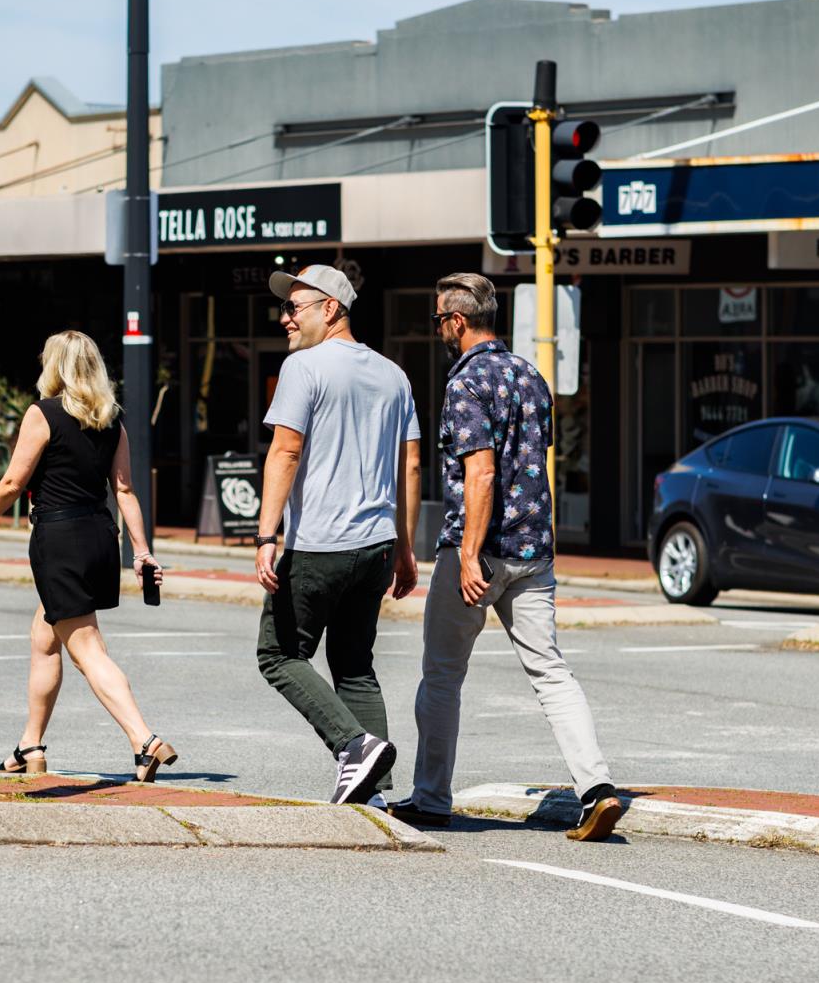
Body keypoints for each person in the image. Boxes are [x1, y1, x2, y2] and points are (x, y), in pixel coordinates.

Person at [389, 272, 622, 842]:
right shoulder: (530, 375)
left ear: (458, 321)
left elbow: (482, 470)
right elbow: (533, 462)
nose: (440, 329)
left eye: (440, 320)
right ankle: (597, 789)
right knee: (551, 672)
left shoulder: (466, 382)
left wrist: (468, 554)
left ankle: (431, 798)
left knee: (442, 675)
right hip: (534, 550)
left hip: (482, 549)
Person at [0, 331, 177, 782]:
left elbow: (11, 482)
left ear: (54, 367)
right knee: (44, 638)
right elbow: (124, 490)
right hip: (99, 536)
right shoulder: (111, 420)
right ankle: (31, 744)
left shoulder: (42, 414)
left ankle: (145, 741)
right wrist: (141, 552)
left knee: (87, 649)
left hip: (58, 539)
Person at [254, 263, 420, 805]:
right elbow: (410, 466)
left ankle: (352, 747)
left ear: (331, 309)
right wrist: (405, 546)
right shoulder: (395, 375)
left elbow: (285, 449)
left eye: (294, 307)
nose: (284, 318)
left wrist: (265, 535)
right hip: (375, 545)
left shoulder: (305, 367)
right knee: (354, 665)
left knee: (278, 654)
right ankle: (377, 792)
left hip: (320, 543)